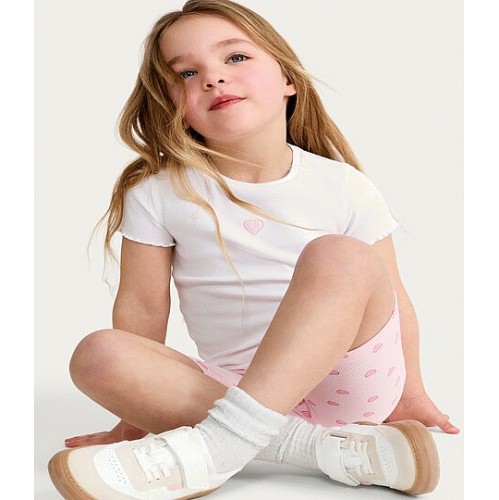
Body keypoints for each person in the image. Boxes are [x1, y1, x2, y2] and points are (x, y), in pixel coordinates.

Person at [48, 0, 459, 498]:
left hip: (346, 385)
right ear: (170, 103)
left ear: (288, 79)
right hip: (225, 390)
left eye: (236, 57)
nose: (213, 78)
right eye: (186, 73)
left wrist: (411, 392)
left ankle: (219, 447)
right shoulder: (158, 194)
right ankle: (321, 449)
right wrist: (134, 411)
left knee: (340, 256)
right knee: (98, 354)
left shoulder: (344, 186)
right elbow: (141, 307)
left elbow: (395, 298)